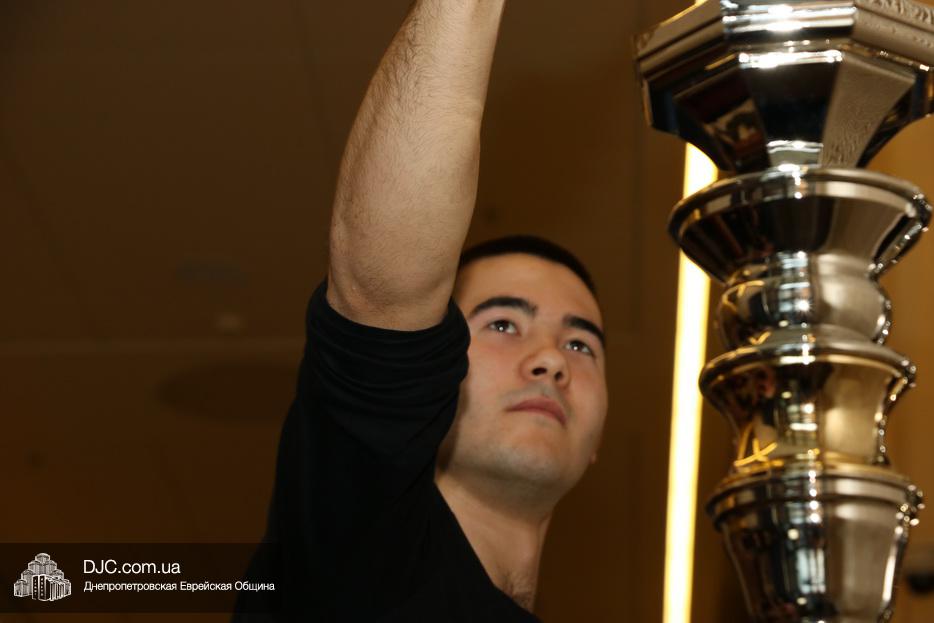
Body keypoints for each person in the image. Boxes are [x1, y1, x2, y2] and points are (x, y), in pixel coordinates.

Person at [234, 1, 608, 620]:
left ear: (598, 439)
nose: (551, 360)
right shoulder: (354, 552)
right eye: (503, 324)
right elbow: (379, 301)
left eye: (580, 344)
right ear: (435, 372)